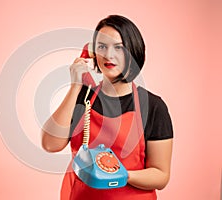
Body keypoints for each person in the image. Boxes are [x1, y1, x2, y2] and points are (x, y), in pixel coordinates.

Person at [41, 15, 173, 200]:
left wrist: (120, 175)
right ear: (93, 53)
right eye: (102, 46)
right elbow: (50, 144)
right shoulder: (82, 98)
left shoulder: (153, 106)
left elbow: (161, 175)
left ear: (133, 51)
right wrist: (75, 86)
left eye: (118, 47)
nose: (109, 55)